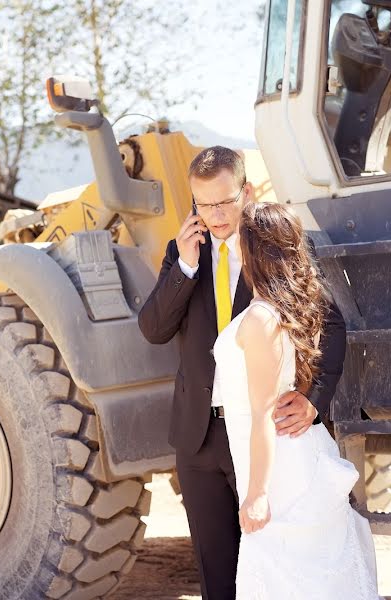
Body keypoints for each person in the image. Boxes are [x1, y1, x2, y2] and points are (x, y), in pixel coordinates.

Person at [137, 146, 347, 599]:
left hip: (257, 435)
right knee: (216, 575)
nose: (214, 215)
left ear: (246, 191)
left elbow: (330, 323)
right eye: (203, 204)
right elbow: (153, 329)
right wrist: (187, 267)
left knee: (268, 566)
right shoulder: (182, 253)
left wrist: (314, 398)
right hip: (197, 438)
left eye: (224, 201)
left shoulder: (274, 246)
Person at [219, 201, 378, 598]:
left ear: (250, 249)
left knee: (286, 576)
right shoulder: (285, 306)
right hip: (291, 451)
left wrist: (256, 495)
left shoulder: (260, 319)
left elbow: (261, 416)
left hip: (281, 469)